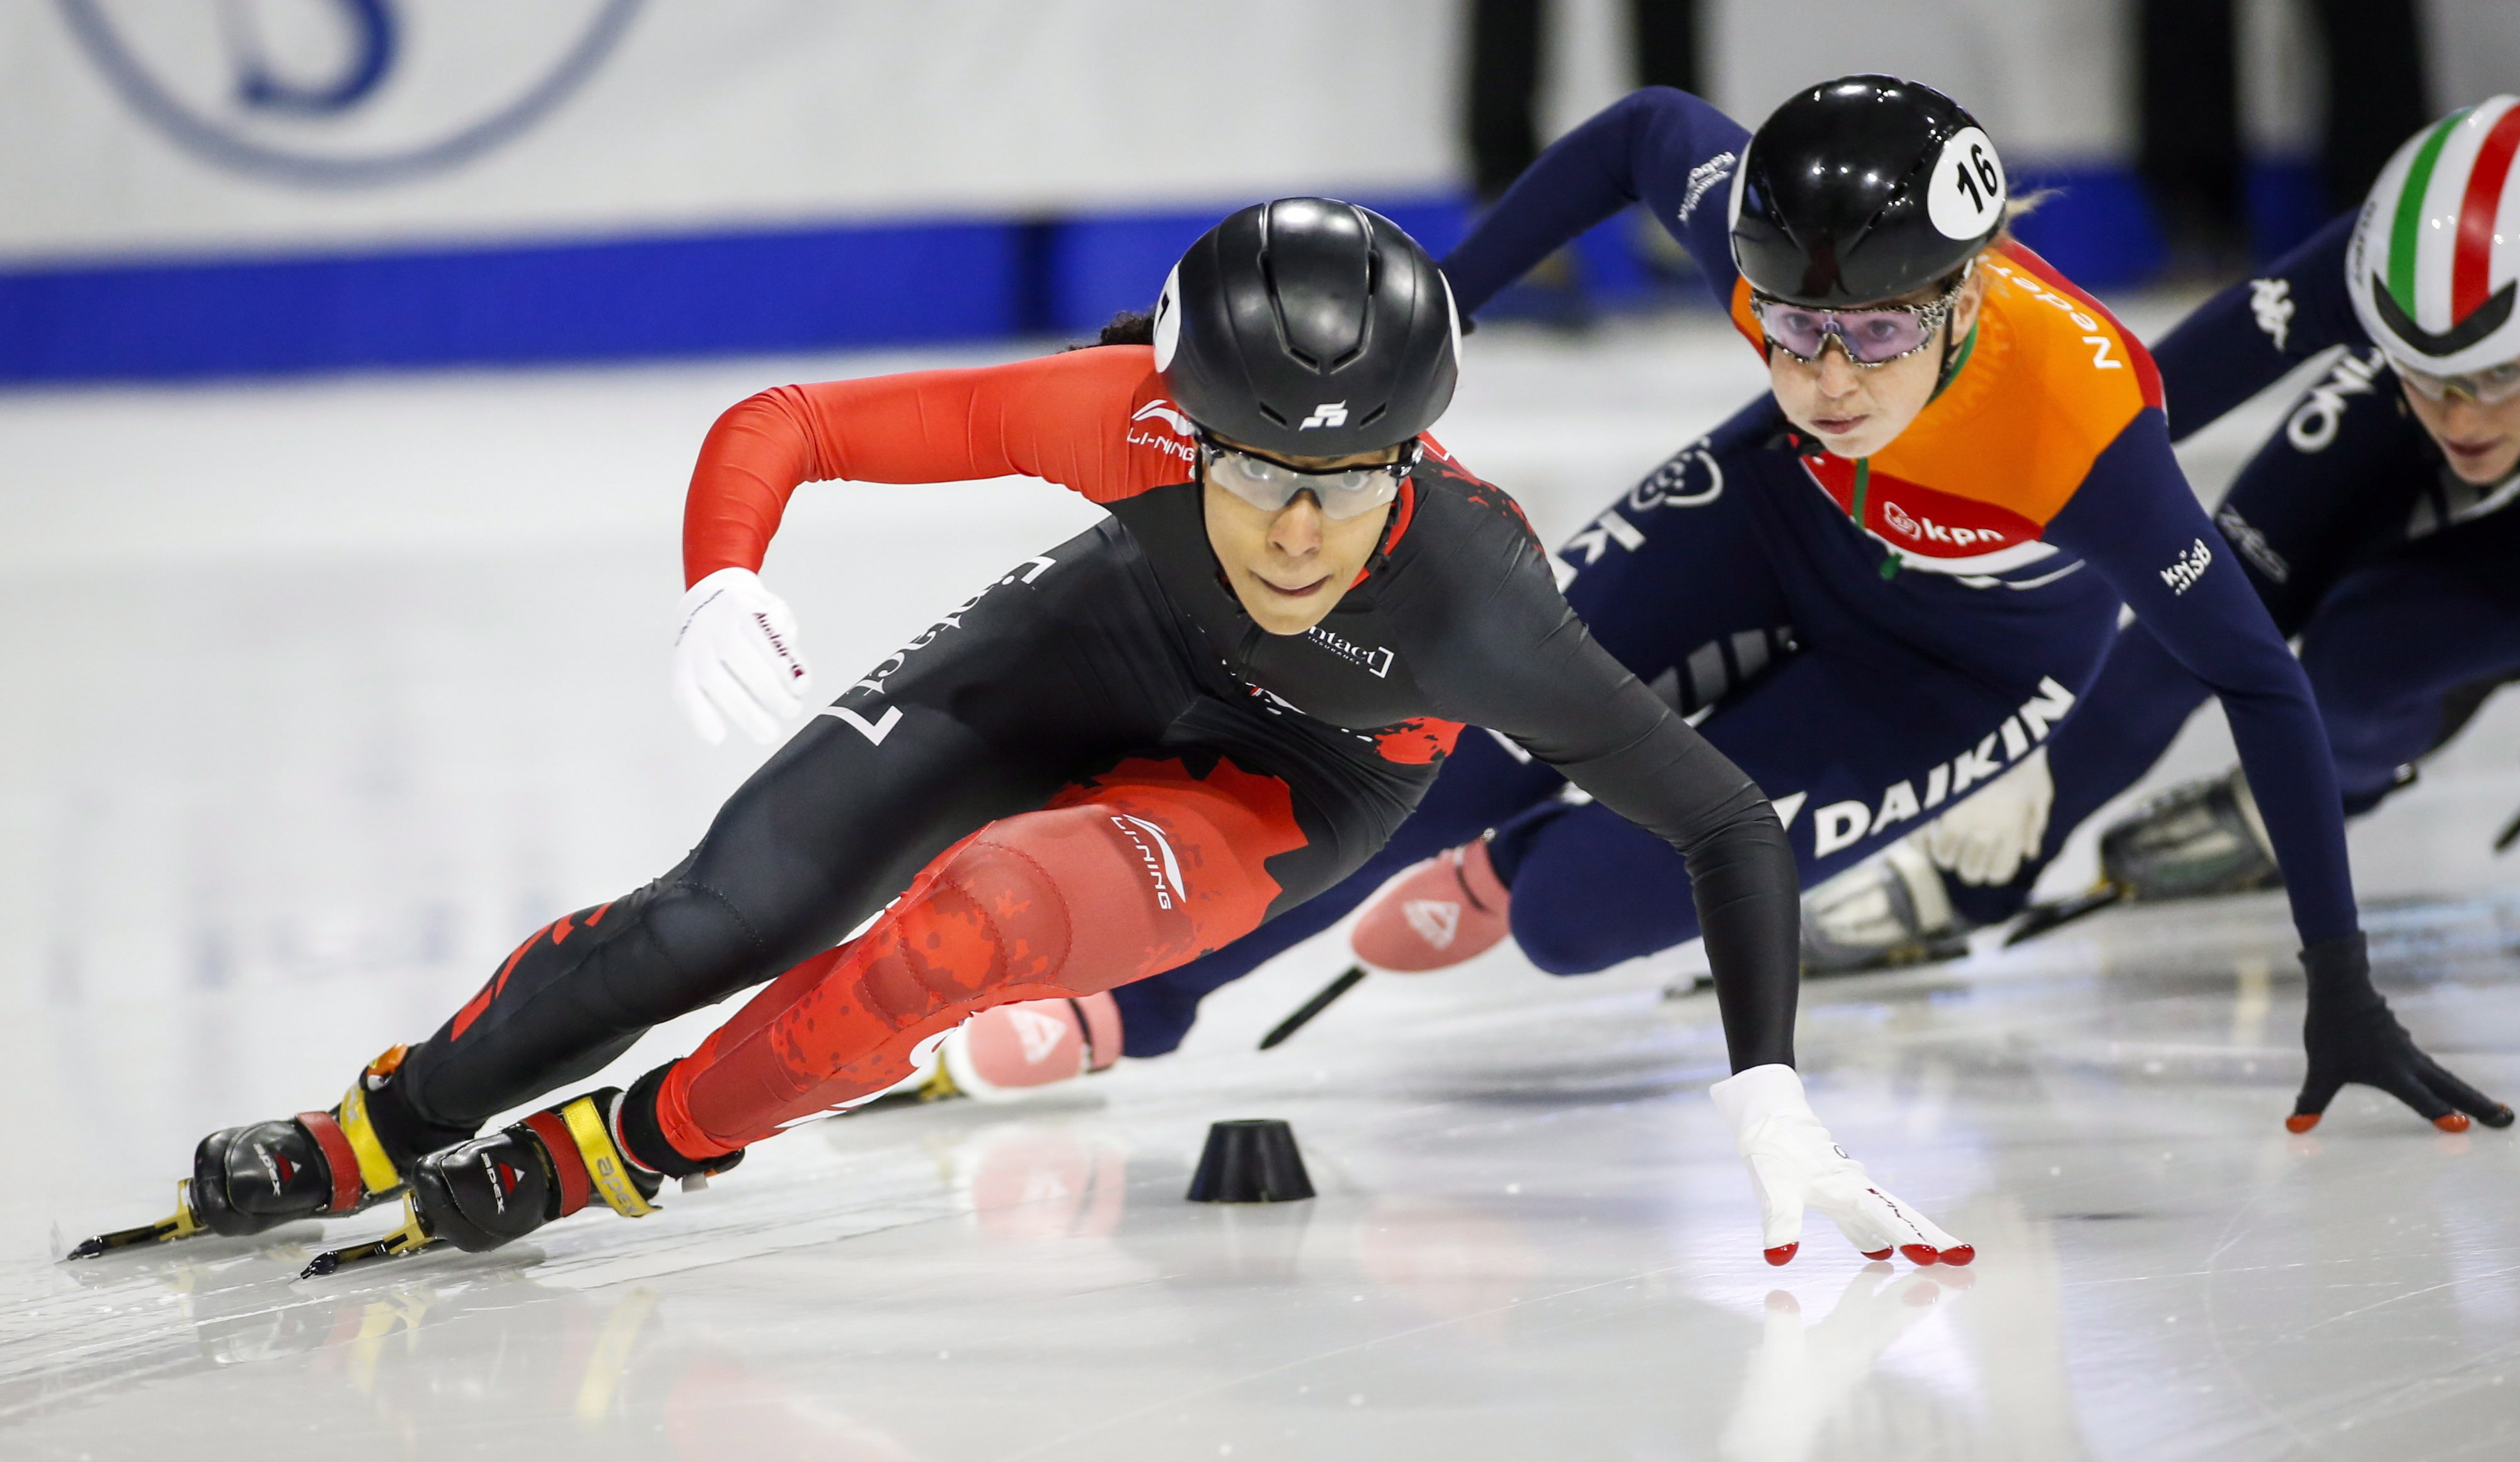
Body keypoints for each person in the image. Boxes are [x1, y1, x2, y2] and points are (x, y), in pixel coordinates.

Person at [84, 198, 1962, 1272]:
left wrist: (1766, 1086)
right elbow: (790, 425)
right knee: (710, 917)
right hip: (1088, 647)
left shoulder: (1478, 599)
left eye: (1351, 478)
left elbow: (1721, 820)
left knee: (970, 925)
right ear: (1176, 421)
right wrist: (718, 578)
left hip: (1280, 786)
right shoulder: (1115, 418)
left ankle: (631, 1145)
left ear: (1417, 455)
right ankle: (384, 1118)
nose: (1300, 527)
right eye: (1252, 467)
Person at [1084, 77, 2511, 1138]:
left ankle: (1517, 873)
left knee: (1576, 914)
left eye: (1877, 332)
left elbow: (2259, 681)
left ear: (1957, 300)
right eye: (1786, 327)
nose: (1828, 379)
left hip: (1963, 664)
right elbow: (1644, 129)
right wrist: (1440, 307)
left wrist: (2340, 981)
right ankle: (1138, 1000)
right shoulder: (1781, 285)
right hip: (1772, 515)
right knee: (1427, 747)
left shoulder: (2075, 436)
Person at [1904, 99, 2520, 962]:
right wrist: (2027, 762)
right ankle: (1975, 874)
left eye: (2496, 373)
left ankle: (2320, 791)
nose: (2458, 414)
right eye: (2421, 365)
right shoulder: (2382, 266)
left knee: (2383, 652)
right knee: (2284, 610)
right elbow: (2136, 415)